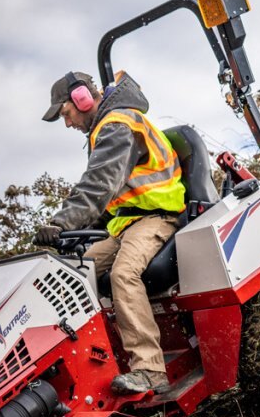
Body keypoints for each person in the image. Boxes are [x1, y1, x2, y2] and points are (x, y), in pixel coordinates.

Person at [35, 71, 186, 395]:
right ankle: (96, 364)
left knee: (124, 274)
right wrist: (69, 236)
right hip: (126, 224)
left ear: (82, 99)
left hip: (156, 217)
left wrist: (63, 222)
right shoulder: (108, 128)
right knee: (72, 276)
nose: (68, 123)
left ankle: (149, 370)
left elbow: (99, 185)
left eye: (66, 114)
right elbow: (110, 198)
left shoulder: (119, 125)